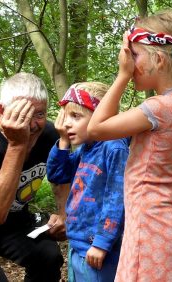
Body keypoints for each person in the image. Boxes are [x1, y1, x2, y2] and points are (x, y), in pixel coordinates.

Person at [87, 10, 172, 282]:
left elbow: (95, 129)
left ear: (158, 59)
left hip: (153, 227)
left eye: (134, 55)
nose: (128, 63)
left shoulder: (159, 108)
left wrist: (121, 77)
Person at [0, 72, 68, 282]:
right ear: (2, 110)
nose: (33, 124)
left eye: (40, 114)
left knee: (49, 257)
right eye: (23, 115)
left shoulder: (50, 135)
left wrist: (63, 213)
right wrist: (17, 144)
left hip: (15, 221)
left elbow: (60, 177)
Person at [47, 82, 129, 282]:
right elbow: (57, 174)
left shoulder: (113, 147)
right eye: (66, 116)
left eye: (76, 116)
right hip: (78, 244)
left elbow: (116, 199)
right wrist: (63, 141)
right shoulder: (87, 149)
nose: (67, 123)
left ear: (101, 116)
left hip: (100, 251)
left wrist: (102, 243)